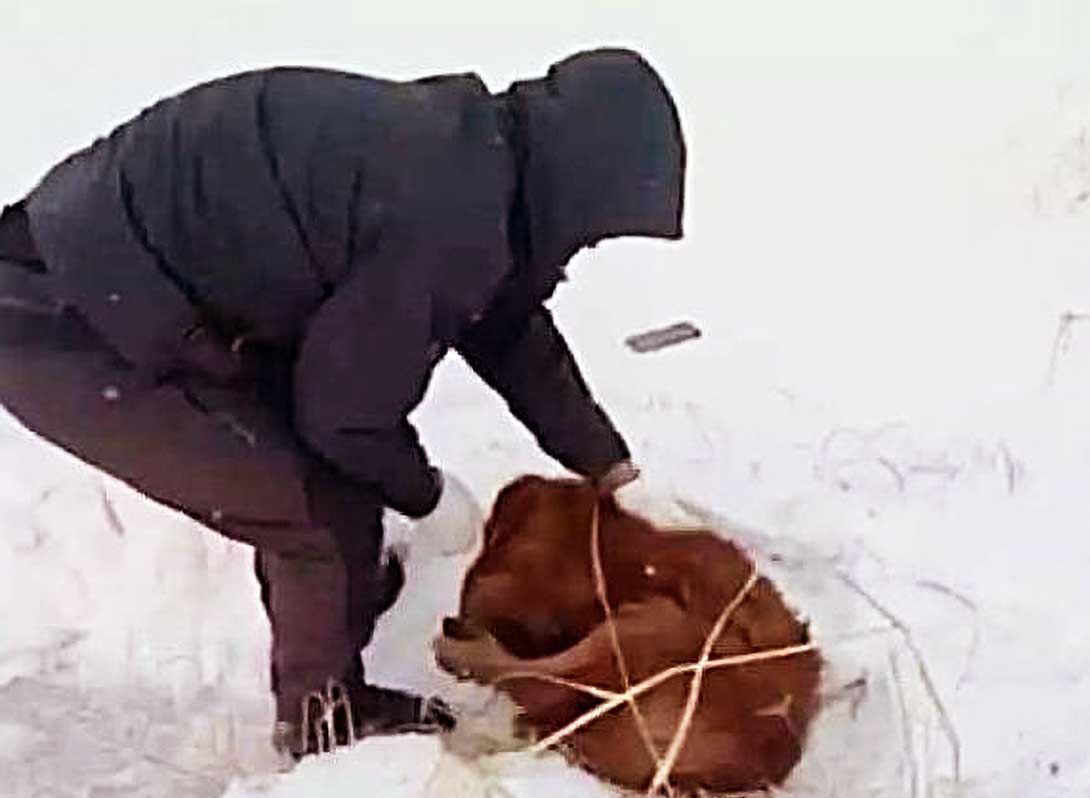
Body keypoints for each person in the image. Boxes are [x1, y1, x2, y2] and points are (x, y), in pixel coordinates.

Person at [0, 47, 686, 757]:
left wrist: (606, 462)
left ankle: (342, 597)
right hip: (69, 323)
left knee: (331, 484)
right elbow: (346, 419)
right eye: (595, 228)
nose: (582, 249)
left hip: (111, 277)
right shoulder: (448, 215)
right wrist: (429, 495)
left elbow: (506, 326)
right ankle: (324, 720)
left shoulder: (470, 159)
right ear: (576, 187)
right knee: (316, 509)